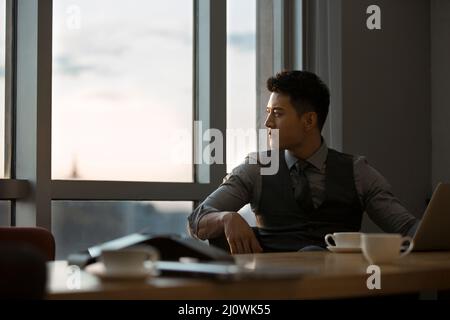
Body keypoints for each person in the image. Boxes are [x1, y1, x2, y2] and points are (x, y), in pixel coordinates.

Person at [187, 70, 419, 254]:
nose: (267, 123)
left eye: (277, 113)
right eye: (268, 112)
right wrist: (226, 217)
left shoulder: (357, 171)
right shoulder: (256, 168)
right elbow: (197, 219)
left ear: (308, 121)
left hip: (340, 288)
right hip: (278, 290)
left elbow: (408, 229)